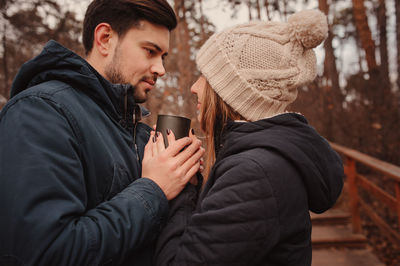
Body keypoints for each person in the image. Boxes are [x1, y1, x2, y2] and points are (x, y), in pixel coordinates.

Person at [0, 0, 204, 265]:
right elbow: (45, 253)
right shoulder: (39, 113)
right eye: (150, 51)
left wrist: (186, 177)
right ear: (105, 38)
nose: (161, 70)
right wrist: (154, 189)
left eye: (163, 57)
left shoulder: (139, 133)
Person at [152, 9, 344, 265]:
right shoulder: (261, 163)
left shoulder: (254, 175)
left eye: (206, 77)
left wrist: (180, 185)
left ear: (232, 92)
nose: (194, 88)